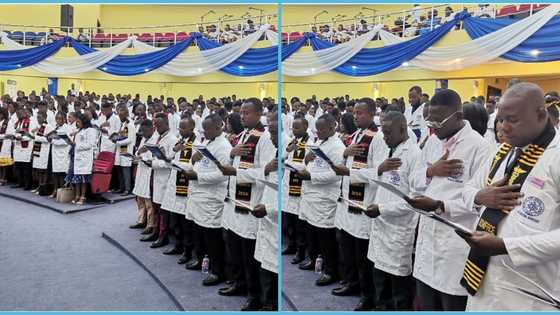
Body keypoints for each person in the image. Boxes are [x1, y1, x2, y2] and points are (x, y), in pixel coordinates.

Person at [455, 82, 560, 310]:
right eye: (500, 120)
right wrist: (481, 196)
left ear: (541, 115)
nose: (504, 127)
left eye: (512, 120)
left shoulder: (556, 156)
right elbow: (468, 189)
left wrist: (507, 245)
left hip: (531, 291)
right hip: (483, 279)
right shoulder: (503, 151)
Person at [406, 89, 492, 310]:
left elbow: (480, 202)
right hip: (427, 237)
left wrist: (439, 205)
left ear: (458, 115)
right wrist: (431, 171)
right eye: (430, 119)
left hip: (454, 242)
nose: (433, 125)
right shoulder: (434, 141)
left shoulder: (480, 148)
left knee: (450, 303)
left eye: (438, 120)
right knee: (426, 303)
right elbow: (414, 179)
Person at [364, 111, 424, 310]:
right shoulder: (387, 149)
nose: (385, 137)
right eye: (383, 132)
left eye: (388, 133)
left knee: (399, 289)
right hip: (380, 226)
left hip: (399, 230)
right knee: (380, 282)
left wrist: (382, 209)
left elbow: (415, 200)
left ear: (403, 129)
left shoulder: (414, 155)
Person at [218, 98, 274, 311]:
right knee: (235, 248)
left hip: (252, 201)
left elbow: (266, 172)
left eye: (247, 113)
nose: (242, 116)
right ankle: (239, 284)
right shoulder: (242, 135)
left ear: (259, 113)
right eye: (241, 113)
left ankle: (255, 295)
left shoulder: (265, 139)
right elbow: (229, 165)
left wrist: (237, 171)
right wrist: (231, 155)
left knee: (249, 252)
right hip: (235, 199)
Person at [330, 98, 383, 310]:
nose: (355, 116)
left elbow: (379, 172)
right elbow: (347, 163)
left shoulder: (377, 138)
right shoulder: (357, 135)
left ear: (372, 113)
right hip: (348, 198)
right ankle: (352, 283)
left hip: (364, 201)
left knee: (362, 255)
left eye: (360, 113)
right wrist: (344, 157)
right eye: (355, 112)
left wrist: (350, 172)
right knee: (348, 249)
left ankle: (367, 295)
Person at [297, 113, 346, 286]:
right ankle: (314, 259)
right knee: (312, 232)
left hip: (325, 198)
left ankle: (330, 270)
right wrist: (305, 159)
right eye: (316, 129)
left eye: (322, 129)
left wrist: (310, 177)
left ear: (333, 127)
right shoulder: (319, 141)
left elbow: (336, 174)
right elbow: (311, 163)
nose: (318, 132)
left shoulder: (338, 147)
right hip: (311, 196)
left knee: (326, 237)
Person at [185, 114, 231, 285]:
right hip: (198, 196)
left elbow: (222, 175)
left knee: (213, 238)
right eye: (203, 128)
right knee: (199, 233)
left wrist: (197, 176)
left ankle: (218, 272)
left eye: (208, 128)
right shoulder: (207, 142)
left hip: (211, 199)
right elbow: (200, 163)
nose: (204, 131)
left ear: (220, 126)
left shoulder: (224, 147)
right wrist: (193, 160)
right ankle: (201, 261)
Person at [253, 116, 281, 311]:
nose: (270, 138)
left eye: (273, 134)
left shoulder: (283, 153)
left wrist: (269, 208)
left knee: (274, 264)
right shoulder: (275, 150)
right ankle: (266, 300)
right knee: (265, 261)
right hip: (266, 210)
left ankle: (271, 303)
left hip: (274, 214)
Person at [160, 117, 197, 258]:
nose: (181, 130)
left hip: (186, 186)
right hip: (175, 183)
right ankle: (178, 245)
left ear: (192, 128)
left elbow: (194, 167)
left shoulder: (196, 144)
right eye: (180, 128)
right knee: (175, 220)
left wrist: (178, 165)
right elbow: (169, 158)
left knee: (185, 223)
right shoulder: (180, 141)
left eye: (183, 128)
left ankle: (187, 252)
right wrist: (174, 151)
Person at [140, 113, 177, 248]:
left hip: (164, 178)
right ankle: (156, 231)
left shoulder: (172, 139)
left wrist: (153, 163)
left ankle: (163, 235)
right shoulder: (159, 137)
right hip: (155, 175)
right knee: (156, 206)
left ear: (167, 124)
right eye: (155, 125)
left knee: (163, 210)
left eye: (159, 125)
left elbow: (170, 162)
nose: (156, 127)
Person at [282, 116, 310, 265]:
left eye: (297, 127)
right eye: (293, 127)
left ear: (305, 127)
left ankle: (300, 250)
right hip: (288, 182)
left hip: (299, 185)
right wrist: (288, 150)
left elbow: (306, 165)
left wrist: (289, 162)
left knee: (299, 223)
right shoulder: (293, 141)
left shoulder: (309, 142)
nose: (294, 130)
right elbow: (282, 157)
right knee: (289, 220)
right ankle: (291, 245)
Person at [130, 119, 156, 235]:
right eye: (141, 131)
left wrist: (142, 158)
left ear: (152, 129)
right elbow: (139, 153)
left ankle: (150, 224)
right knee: (139, 198)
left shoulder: (155, 140)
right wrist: (137, 154)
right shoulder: (144, 139)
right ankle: (141, 220)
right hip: (141, 171)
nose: (143, 133)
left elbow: (154, 159)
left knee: (148, 201)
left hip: (149, 172)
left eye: (145, 131)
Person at [65, 112, 97, 205]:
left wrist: (77, 145)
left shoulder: (90, 130)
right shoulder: (79, 130)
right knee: (77, 178)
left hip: (85, 158)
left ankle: (83, 196)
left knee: (83, 179)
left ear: (84, 121)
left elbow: (91, 144)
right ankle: (77, 195)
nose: (77, 124)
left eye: (78, 122)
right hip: (77, 156)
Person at [10, 107, 36, 190]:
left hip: (26, 147)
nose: (19, 115)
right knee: (18, 166)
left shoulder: (30, 122)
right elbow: (14, 132)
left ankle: (27, 184)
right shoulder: (17, 123)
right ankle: (20, 182)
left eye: (20, 113)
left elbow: (32, 136)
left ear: (24, 113)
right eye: (17, 114)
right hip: (18, 146)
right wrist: (14, 137)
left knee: (26, 167)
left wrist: (21, 138)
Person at [113, 105, 136, 195]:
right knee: (119, 169)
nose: (120, 117)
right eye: (119, 116)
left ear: (126, 114)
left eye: (121, 116)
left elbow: (130, 139)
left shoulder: (130, 125)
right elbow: (122, 135)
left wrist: (118, 142)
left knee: (126, 170)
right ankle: (121, 187)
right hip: (120, 150)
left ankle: (127, 189)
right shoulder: (123, 124)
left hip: (126, 150)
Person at [30, 111, 53, 194]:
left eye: (39, 117)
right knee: (38, 170)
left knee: (43, 170)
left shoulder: (48, 127)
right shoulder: (38, 127)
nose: (38, 119)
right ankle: (39, 185)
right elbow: (35, 137)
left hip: (44, 151)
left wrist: (36, 137)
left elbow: (48, 139)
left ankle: (43, 186)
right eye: (37, 117)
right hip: (37, 149)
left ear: (44, 118)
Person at [0, 107, 13, 185]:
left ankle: (4, 178)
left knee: (4, 163)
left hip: (5, 144)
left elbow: (10, 135)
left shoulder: (8, 122)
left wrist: (1, 136)